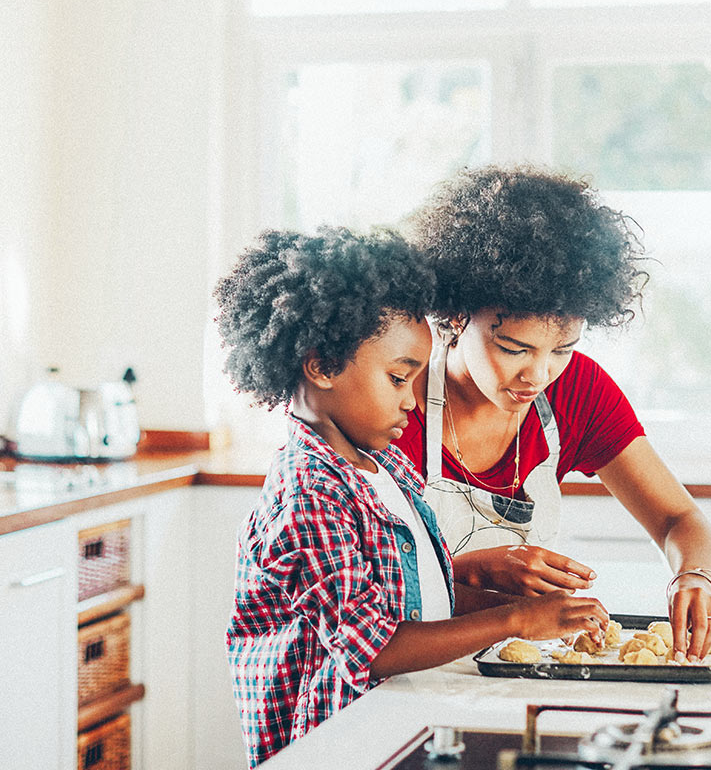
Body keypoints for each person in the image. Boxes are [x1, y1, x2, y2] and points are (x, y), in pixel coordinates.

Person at [213, 226, 608, 767]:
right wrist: (514, 623)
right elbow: (375, 646)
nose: (411, 401)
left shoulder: (385, 465)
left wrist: (533, 610)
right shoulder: (307, 495)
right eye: (399, 379)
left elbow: (423, 600)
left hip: (396, 728)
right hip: (333, 747)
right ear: (322, 366)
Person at [395, 164, 711, 661]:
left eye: (562, 349)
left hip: (522, 668)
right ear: (457, 315)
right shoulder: (393, 401)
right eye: (512, 348)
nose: (538, 374)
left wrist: (696, 576)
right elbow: (368, 596)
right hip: (406, 674)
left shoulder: (577, 391)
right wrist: (471, 570)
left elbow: (679, 518)